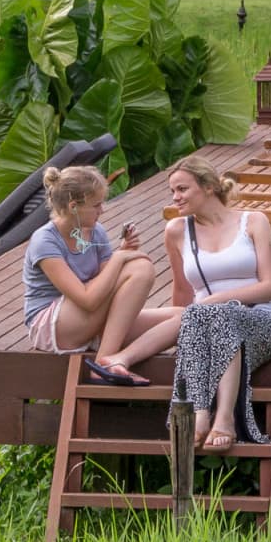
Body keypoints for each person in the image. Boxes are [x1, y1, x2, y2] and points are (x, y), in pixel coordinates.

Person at [101, 159, 271, 450]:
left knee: (220, 314)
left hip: (260, 321)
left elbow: (270, 288)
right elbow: (182, 292)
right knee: (205, 317)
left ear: (209, 187)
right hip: (204, 321)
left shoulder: (253, 221)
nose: (175, 197)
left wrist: (214, 302)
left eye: (182, 189)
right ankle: (200, 415)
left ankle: (224, 418)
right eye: (172, 190)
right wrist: (186, 338)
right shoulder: (176, 231)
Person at [21, 164, 179, 386]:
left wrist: (124, 253)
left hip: (90, 319)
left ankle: (119, 359)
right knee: (140, 267)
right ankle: (104, 366)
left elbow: (109, 281)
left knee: (185, 317)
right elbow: (88, 300)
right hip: (53, 326)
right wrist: (120, 257)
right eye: (96, 205)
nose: (101, 210)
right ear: (73, 206)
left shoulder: (95, 230)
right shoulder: (45, 240)